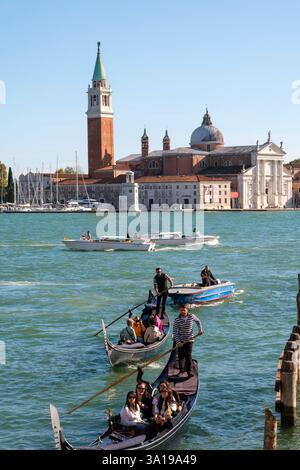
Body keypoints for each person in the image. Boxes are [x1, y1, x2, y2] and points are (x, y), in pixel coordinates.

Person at [172, 305, 203, 378]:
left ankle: (190, 372)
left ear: (187, 310)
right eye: (181, 310)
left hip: (190, 339)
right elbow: (175, 331)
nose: (182, 312)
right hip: (181, 340)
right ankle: (182, 371)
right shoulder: (177, 320)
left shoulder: (191, 316)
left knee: (188, 355)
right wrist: (178, 341)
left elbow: (198, 321)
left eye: (184, 310)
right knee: (181, 356)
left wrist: (200, 330)